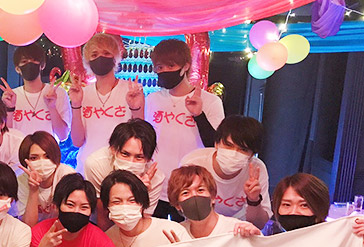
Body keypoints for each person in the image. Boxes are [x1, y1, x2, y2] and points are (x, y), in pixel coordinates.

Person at [144, 39, 224, 221]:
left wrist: (199, 115)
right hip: (156, 184)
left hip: (191, 186)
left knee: (190, 233)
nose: (164, 71)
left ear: (185, 66)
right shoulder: (152, 99)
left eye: (171, 65)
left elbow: (216, 146)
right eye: (159, 67)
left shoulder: (210, 101)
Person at [68, 33, 144, 172]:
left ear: (116, 57)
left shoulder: (131, 91)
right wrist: (76, 105)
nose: (100, 58)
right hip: (87, 169)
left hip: (121, 169)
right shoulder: (82, 93)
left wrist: (136, 108)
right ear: (88, 61)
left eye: (106, 53)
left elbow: (141, 137)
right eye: (94, 54)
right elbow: (77, 141)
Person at [181, 115, 271, 229]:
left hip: (239, 230)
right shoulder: (194, 163)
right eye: (228, 145)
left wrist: (253, 200)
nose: (234, 153)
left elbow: (259, 224)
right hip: (199, 226)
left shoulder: (256, 170)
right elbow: (183, 208)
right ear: (216, 143)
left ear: (252, 154)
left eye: (243, 149)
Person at [84, 120, 164, 225]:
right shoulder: (97, 165)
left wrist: (141, 193)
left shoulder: (156, 179)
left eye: (139, 157)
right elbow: (102, 216)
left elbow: (143, 223)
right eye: (125, 154)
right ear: (113, 149)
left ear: (149, 159)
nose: (131, 162)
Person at [100, 170, 190, 247]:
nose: (125, 206)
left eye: (132, 200)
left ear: (142, 202)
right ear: (107, 206)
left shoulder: (173, 230)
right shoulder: (105, 240)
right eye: (116, 202)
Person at [0, 43, 71, 141]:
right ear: (17, 69)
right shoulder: (11, 97)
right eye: (24, 61)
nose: (29, 64)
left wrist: (52, 107)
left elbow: (63, 135)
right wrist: (9, 109)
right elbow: (7, 137)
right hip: (18, 150)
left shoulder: (58, 93)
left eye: (34, 60)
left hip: (48, 150)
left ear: (42, 65)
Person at [30, 173, 116, 247]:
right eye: (70, 205)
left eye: (84, 207)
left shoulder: (99, 240)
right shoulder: (39, 233)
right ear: (57, 206)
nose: (76, 211)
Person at [167, 165, 262, 238]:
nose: (194, 196)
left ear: (213, 197)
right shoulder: (176, 234)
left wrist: (255, 238)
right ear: (177, 205)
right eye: (185, 193)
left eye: (200, 190)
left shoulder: (236, 230)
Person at [17, 131, 75, 227]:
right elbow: (28, 225)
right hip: (36, 231)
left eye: (47, 156)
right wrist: (33, 190)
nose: (42, 163)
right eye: (34, 158)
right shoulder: (22, 181)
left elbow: (72, 219)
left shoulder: (67, 175)